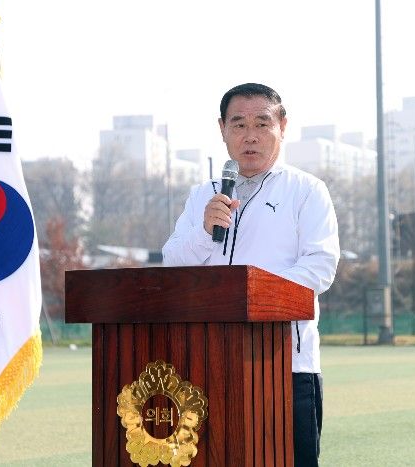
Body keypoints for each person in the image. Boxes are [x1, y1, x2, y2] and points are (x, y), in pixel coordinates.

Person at [162, 82, 339, 466]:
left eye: (262, 123)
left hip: (285, 365)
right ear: (222, 129)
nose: (250, 136)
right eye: (239, 125)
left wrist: (253, 297)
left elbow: (320, 266)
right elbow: (173, 264)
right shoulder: (203, 195)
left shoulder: (306, 190)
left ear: (282, 126)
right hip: (208, 361)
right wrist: (204, 231)